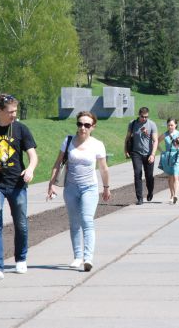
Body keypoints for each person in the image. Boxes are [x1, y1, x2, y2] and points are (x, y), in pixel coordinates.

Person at [0, 94, 38, 281]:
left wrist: (30, 169)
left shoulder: (21, 129)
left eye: (15, 111)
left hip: (17, 184)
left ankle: (21, 258)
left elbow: (33, 155)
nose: (14, 115)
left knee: (20, 223)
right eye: (10, 112)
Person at [47, 111, 111, 272]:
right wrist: (51, 184)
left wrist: (106, 188)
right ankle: (77, 257)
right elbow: (57, 163)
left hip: (89, 187)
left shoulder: (97, 144)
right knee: (74, 222)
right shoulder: (68, 141)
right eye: (80, 124)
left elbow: (103, 168)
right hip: (70, 188)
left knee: (87, 219)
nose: (83, 127)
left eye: (87, 125)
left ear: (93, 127)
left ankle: (88, 258)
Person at [124, 107, 158, 205]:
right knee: (137, 173)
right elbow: (127, 138)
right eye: (142, 117)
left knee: (149, 176)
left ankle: (150, 191)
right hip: (136, 153)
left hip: (148, 154)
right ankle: (139, 198)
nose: (144, 119)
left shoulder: (152, 124)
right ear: (139, 115)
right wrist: (126, 150)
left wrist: (153, 154)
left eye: (146, 117)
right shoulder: (133, 124)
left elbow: (155, 141)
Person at [158, 118, 179, 204]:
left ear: (176, 125)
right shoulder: (165, 135)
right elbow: (156, 142)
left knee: (176, 176)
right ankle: (171, 194)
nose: (170, 127)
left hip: (177, 156)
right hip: (168, 157)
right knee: (170, 177)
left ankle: (175, 195)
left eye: (172, 125)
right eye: (169, 125)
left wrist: (178, 146)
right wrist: (162, 151)